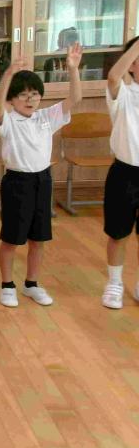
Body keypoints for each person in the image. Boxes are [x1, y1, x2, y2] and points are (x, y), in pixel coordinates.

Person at [0, 44, 83, 309]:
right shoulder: (7, 120)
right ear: (12, 100)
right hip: (17, 182)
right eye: (23, 95)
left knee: (38, 238)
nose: (30, 99)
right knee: (11, 239)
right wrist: (8, 75)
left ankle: (31, 284)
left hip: (43, 180)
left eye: (34, 94)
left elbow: (75, 99)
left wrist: (73, 69)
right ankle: (7, 285)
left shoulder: (46, 117)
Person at [101, 37, 139, 309]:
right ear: (132, 64)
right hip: (125, 174)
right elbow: (114, 76)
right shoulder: (124, 94)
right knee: (118, 233)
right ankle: (114, 283)